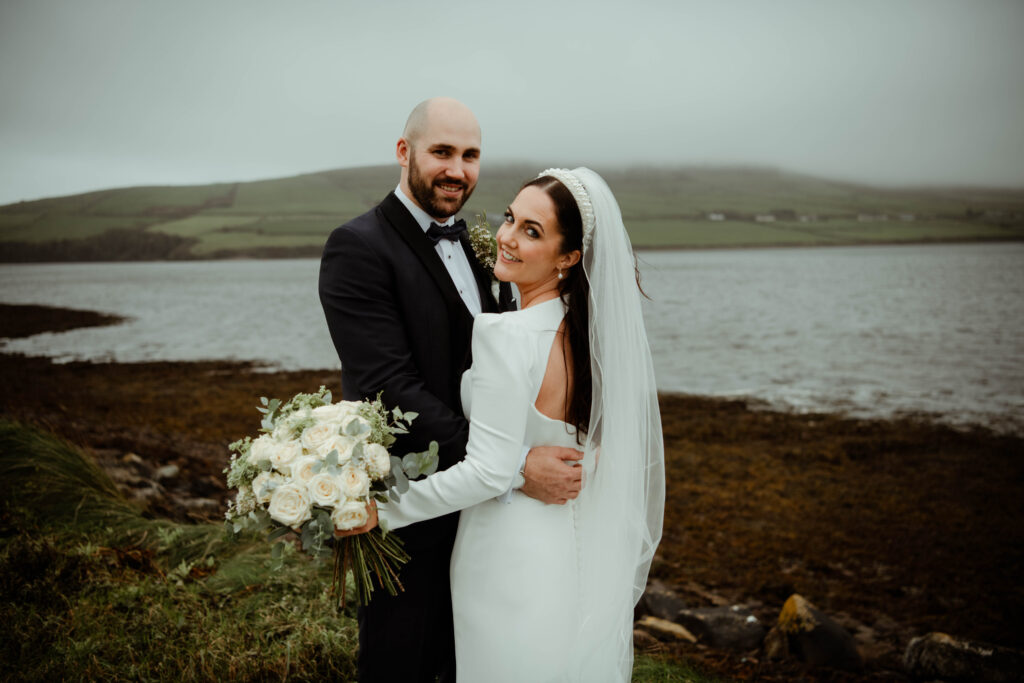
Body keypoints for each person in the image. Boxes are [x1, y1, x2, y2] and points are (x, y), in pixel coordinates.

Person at [347, 167, 666, 681]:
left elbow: (488, 473)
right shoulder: (591, 337)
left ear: (568, 258)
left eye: (532, 231)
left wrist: (379, 512)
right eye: (511, 218)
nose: (507, 237)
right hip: (568, 545)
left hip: (506, 554)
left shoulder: (505, 334)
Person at [318, 97, 584, 682]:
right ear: (404, 151)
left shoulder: (477, 244)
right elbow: (389, 387)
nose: (457, 169)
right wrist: (511, 463)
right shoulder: (357, 248)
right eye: (442, 152)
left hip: (488, 522)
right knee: (401, 665)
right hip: (418, 517)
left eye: (470, 155)